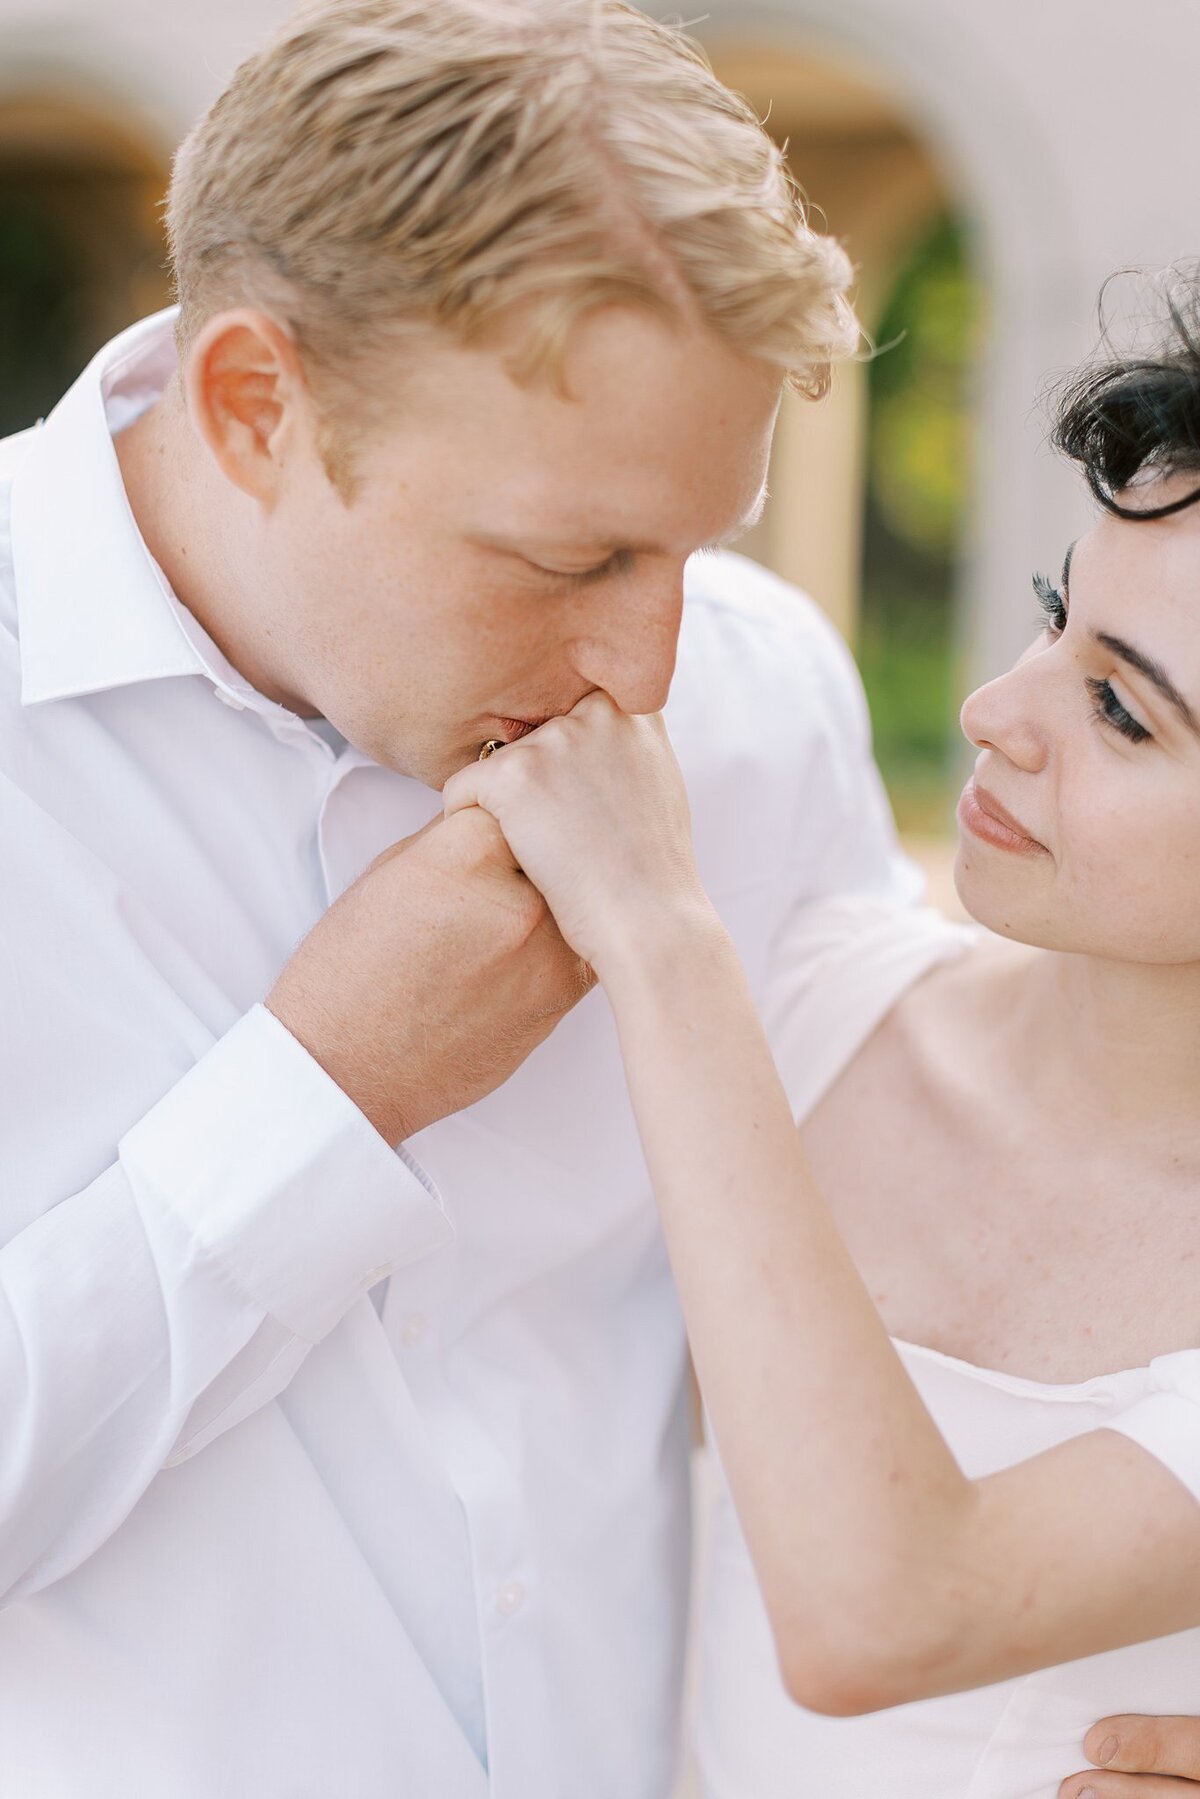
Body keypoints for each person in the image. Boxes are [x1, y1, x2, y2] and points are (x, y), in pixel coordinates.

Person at [0, 2, 912, 1793]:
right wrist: (327, 1090)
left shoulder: (766, 694)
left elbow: (912, 1316)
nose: (649, 669)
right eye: (570, 559)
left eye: (696, 549)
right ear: (258, 404)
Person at [447, 275, 1200, 1799]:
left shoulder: (716, 993)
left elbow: (879, 1616)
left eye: (1126, 715)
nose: (997, 707)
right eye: (1060, 619)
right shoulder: (818, 1004)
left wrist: (659, 935)